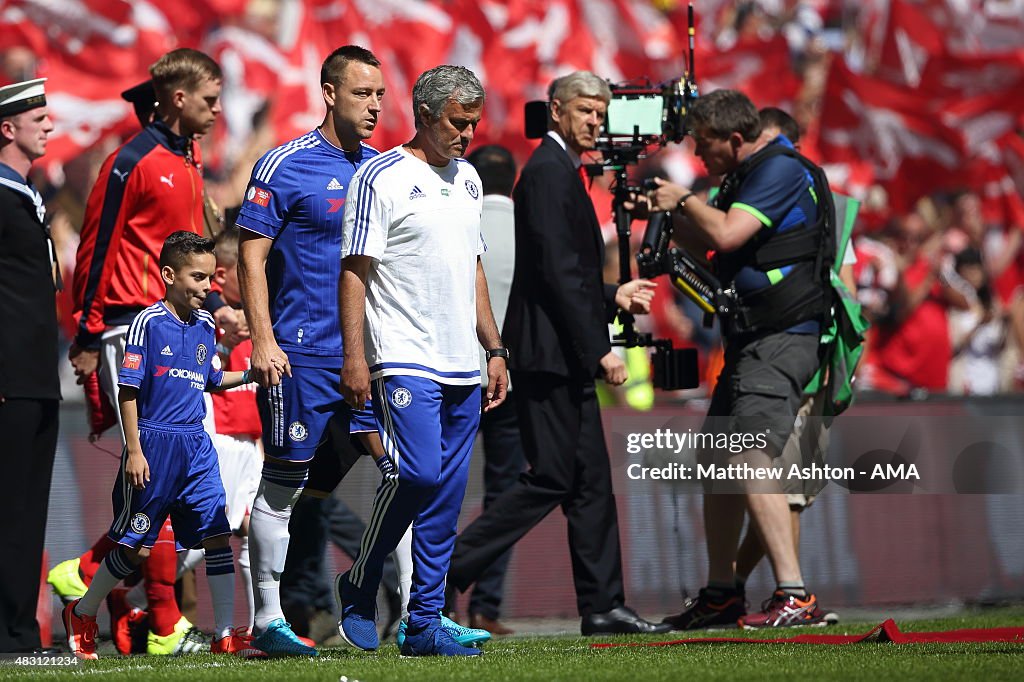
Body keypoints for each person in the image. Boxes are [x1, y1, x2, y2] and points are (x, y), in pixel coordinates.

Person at [446, 71, 666, 637]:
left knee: (589, 483)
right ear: (558, 111)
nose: (597, 121)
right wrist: (601, 349)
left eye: (602, 112)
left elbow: (564, 272)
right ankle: (444, 570)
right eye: (588, 110)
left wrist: (610, 294)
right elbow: (556, 273)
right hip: (549, 357)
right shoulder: (547, 172)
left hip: (557, 354)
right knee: (551, 478)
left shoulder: (558, 170)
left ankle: (603, 607)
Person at [51, 48, 224, 656]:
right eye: (209, 99)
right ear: (178, 99)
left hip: (178, 330)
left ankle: (107, 592)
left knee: (165, 488)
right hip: (130, 328)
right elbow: (94, 248)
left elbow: (190, 254)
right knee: (152, 483)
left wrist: (215, 303)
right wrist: (86, 335)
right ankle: (159, 619)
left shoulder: (188, 159)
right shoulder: (131, 161)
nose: (218, 109)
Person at [335, 64, 505, 658]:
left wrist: (495, 348)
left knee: (447, 496)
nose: (468, 134)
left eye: (474, 124)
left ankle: (424, 622)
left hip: (463, 361)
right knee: (417, 474)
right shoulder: (380, 177)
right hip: (405, 357)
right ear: (425, 115)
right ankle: (360, 580)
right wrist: (355, 358)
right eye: (459, 123)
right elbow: (354, 273)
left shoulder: (469, 179)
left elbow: (474, 266)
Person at [648, 88, 833, 628]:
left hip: (781, 338)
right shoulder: (745, 176)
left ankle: (794, 594)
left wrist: (681, 199)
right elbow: (713, 242)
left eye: (705, 145)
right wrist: (659, 210)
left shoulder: (778, 169)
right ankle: (722, 593)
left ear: (734, 138)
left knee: (749, 454)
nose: (700, 157)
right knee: (716, 463)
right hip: (751, 341)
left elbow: (727, 232)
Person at [236, 45, 391, 657]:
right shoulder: (284, 165)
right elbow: (251, 256)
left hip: (372, 360)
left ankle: (409, 614)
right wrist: (264, 339)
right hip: (300, 356)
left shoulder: (382, 171)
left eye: (380, 94)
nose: (375, 105)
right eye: (362, 93)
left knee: (400, 477)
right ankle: (268, 620)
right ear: (329, 93)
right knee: (282, 486)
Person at [61, 231, 257, 660]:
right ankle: (85, 610)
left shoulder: (206, 326)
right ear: (169, 275)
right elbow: (127, 390)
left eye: (210, 279)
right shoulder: (148, 323)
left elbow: (209, 380)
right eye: (198, 277)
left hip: (196, 446)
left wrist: (251, 375)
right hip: (153, 443)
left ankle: (224, 634)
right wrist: (133, 449)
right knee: (135, 548)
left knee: (217, 535)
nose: (208, 287)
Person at [730, 107, 856, 619]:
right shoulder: (826, 201)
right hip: (818, 356)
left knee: (787, 488)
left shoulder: (805, 198)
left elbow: (840, 285)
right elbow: (847, 287)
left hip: (803, 355)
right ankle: (784, 592)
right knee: (789, 488)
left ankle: (791, 594)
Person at [0, 76, 60, 656]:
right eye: (38, 119)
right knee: (7, 508)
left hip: (37, 377)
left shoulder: (25, 193)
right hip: (8, 381)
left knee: (26, 513)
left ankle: (19, 631)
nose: (50, 127)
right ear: (7, 128)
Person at [458, 144, 524, 636]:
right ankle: (487, 605)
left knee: (439, 487)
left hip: (457, 373)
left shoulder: (460, 222)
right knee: (503, 495)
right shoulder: (530, 230)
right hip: (513, 378)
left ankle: (429, 598)